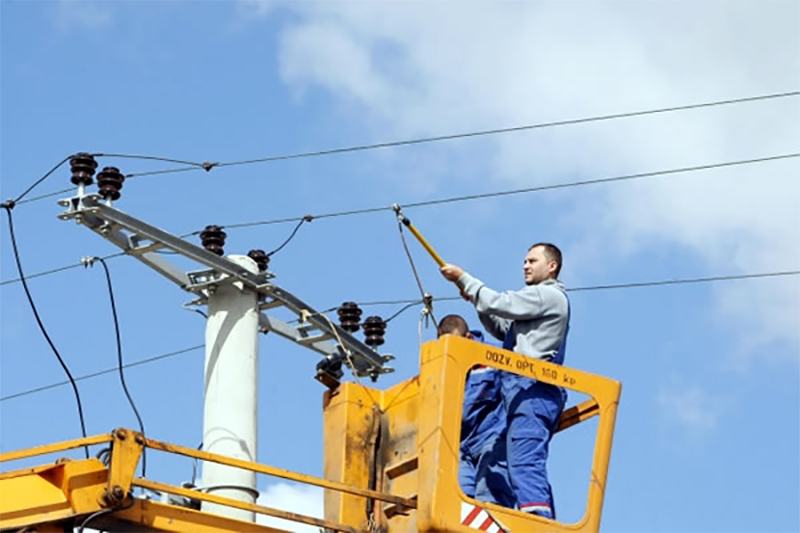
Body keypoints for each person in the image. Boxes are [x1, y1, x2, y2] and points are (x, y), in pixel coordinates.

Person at [440, 243, 570, 519]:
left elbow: (501, 303)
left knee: (524, 464)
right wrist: (477, 301)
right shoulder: (537, 304)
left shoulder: (548, 295)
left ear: (552, 266)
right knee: (516, 465)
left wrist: (465, 279)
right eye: (524, 260)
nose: (525, 265)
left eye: (532, 260)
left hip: (534, 389)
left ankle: (538, 525)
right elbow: (502, 327)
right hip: (521, 393)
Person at [438, 314, 514, 509]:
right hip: (461, 445)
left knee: (489, 493)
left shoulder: (495, 357)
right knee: (458, 501)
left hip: (493, 437)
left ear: (469, 338)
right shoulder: (442, 367)